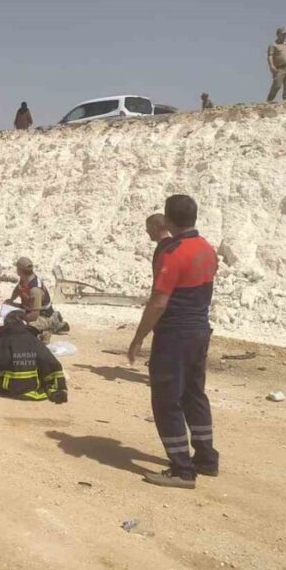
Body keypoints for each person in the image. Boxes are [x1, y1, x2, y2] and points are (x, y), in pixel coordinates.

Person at [127, 194, 219, 489]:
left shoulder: (172, 253)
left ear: (167, 220)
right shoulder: (207, 249)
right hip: (200, 330)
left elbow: (158, 302)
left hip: (174, 334)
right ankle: (206, 458)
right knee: (194, 394)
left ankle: (181, 469)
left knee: (167, 400)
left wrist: (138, 338)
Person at [0, 311, 67, 402]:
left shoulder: (2, 340)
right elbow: (49, 361)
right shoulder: (34, 341)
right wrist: (58, 388)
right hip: (31, 387)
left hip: (7, 389)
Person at [7, 257, 67, 341]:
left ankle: (48, 328)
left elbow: (34, 315)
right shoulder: (24, 279)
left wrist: (20, 319)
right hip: (28, 309)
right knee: (8, 311)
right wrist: (11, 301)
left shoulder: (35, 289)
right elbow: (18, 289)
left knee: (22, 329)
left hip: (42, 315)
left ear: (19, 270)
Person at [267, 26, 286, 102]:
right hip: (280, 68)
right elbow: (270, 56)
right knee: (277, 85)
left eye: (285, 34)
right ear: (278, 34)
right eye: (282, 34)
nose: (284, 35)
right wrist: (271, 66)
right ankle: (269, 100)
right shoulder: (273, 45)